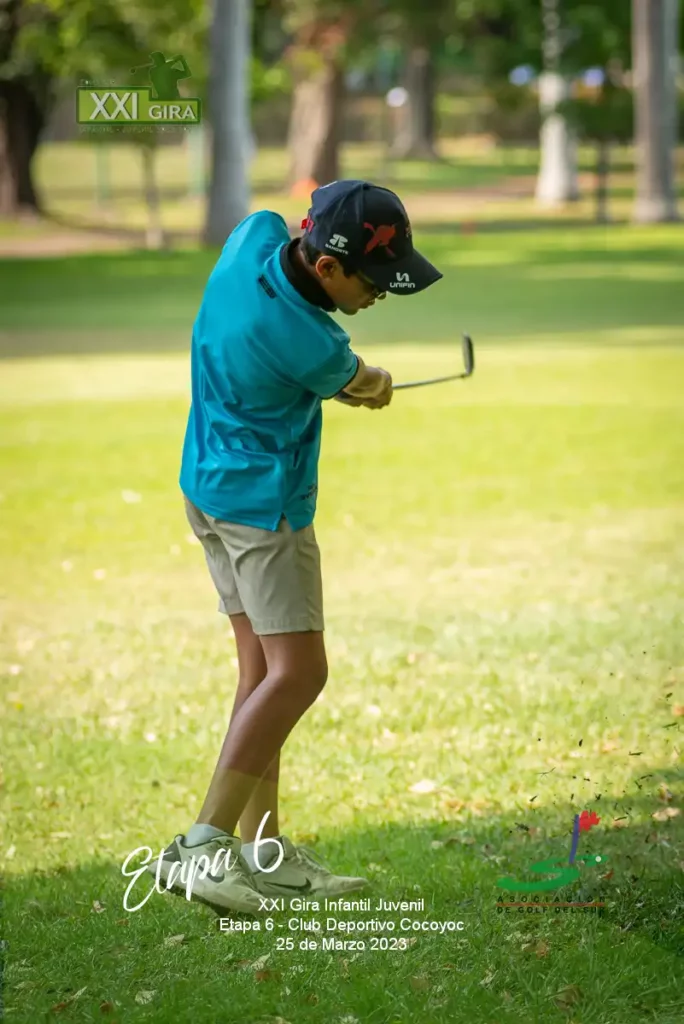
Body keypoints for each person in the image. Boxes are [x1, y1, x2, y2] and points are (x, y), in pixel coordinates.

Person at [155, 180, 443, 915]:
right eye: (371, 282)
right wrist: (372, 383)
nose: (378, 295)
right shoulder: (314, 344)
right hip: (263, 510)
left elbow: (268, 226)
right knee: (301, 672)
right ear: (326, 267)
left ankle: (266, 853)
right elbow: (359, 380)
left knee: (261, 671)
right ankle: (202, 847)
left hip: (207, 488)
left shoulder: (251, 237)